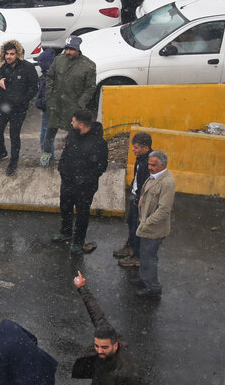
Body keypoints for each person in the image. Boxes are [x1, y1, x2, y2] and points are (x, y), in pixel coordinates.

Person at [54, 109, 108, 254]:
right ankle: (65, 231)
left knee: (82, 214)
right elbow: (65, 154)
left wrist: (84, 180)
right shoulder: (72, 134)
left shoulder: (99, 143)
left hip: (85, 187)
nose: (71, 123)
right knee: (65, 207)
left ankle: (79, 241)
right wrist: (62, 169)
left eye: (73, 121)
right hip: (67, 181)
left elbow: (101, 167)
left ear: (82, 124)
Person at [41, 35, 96, 168]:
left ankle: (72, 157)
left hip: (73, 107)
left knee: (74, 134)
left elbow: (90, 88)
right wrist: (50, 96)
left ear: (78, 50)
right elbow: (50, 78)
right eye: (67, 49)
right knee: (49, 132)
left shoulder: (88, 66)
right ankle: (47, 153)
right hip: (55, 104)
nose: (68, 52)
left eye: (71, 49)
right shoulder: (58, 60)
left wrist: (80, 104)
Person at [0, 40, 39, 176]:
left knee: (14, 135)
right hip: (4, 105)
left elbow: (34, 87)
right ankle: (2, 152)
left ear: (18, 54)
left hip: (19, 109)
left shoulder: (28, 67)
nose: (9, 57)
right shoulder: (1, 64)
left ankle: (14, 161)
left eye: (12, 54)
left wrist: (23, 100)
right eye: (7, 54)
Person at [134, 150, 175, 297]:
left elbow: (164, 210)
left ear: (162, 165)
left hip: (154, 228)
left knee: (149, 257)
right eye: (149, 164)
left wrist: (146, 223)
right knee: (144, 255)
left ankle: (153, 288)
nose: (149, 167)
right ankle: (145, 279)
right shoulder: (154, 177)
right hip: (146, 225)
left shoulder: (167, 183)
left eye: (153, 165)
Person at [113, 132, 152, 268]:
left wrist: (141, 200)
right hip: (135, 197)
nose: (133, 150)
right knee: (131, 222)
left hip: (141, 201)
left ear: (145, 148)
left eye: (136, 147)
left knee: (138, 228)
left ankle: (137, 256)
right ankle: (130, 247)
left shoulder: (149, 164)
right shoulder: (141, 158)